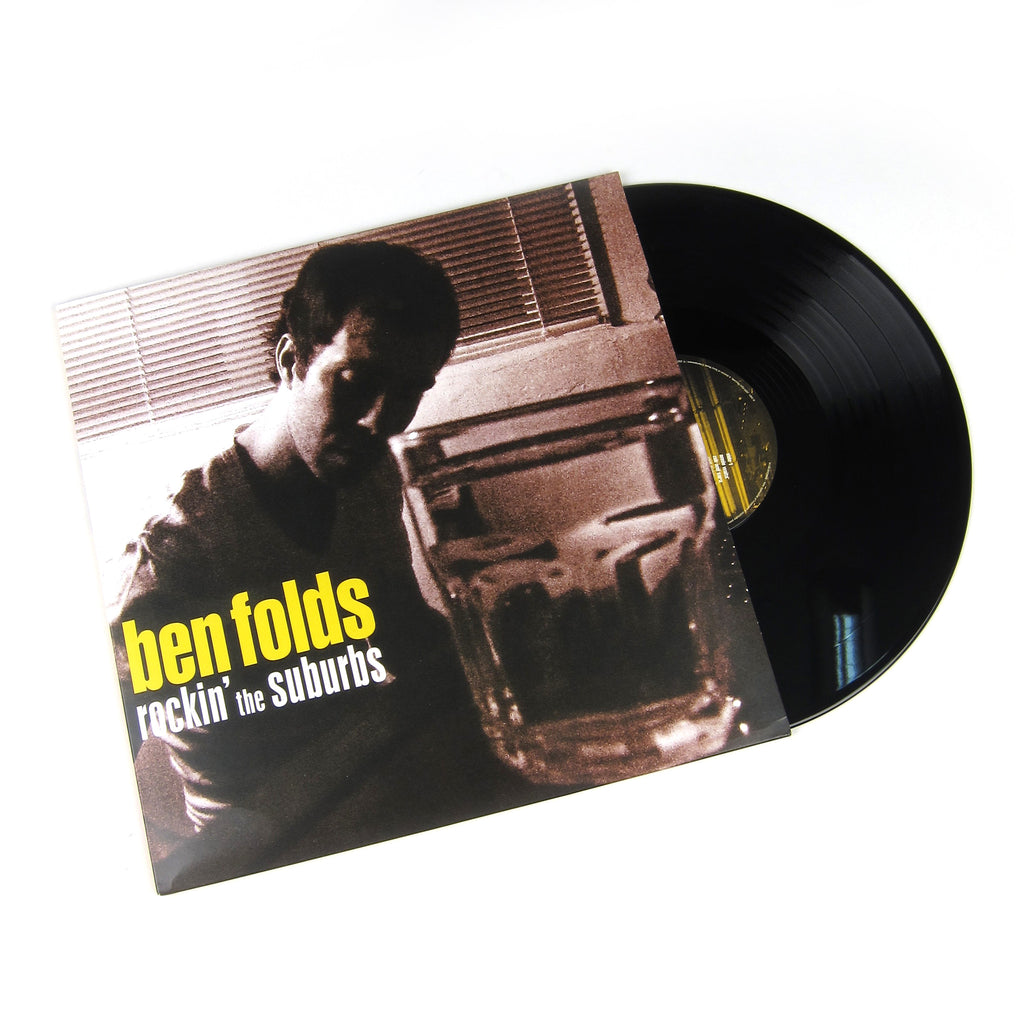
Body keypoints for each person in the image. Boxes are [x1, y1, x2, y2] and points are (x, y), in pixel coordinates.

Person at [110, 242, 552, 892]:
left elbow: (400, 630)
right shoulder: (178, 545)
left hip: (378, 771)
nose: (380, 421)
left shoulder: (369, 474)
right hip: (268, 839)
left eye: (410, 391)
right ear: (292, 360)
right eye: (355, 381)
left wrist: (514, 646)